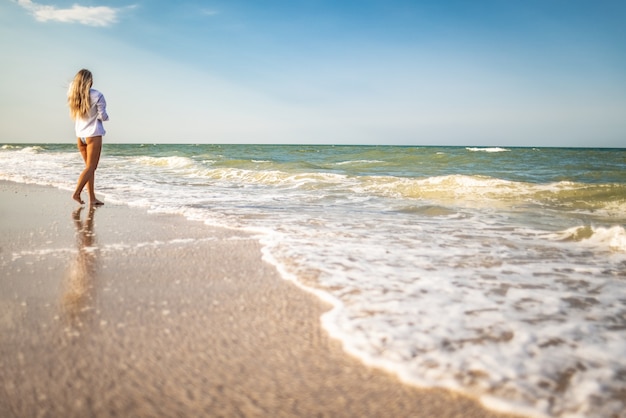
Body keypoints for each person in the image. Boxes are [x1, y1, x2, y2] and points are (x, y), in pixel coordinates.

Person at [67, 69, 109, 206]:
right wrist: (104, 117)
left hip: (80, 135)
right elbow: (102, 116)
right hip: (93, 134)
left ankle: (92, 198)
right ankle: (77, 193)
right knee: (91, 167)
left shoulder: (73, 95)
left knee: (89, 168)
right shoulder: (97, 95)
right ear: (89, 81)